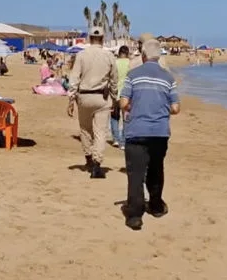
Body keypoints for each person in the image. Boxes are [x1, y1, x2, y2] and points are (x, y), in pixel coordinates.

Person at [119, 39, 180, 230]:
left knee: (135, 173)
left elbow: (123, 102)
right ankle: (155, 205)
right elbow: (176, 108)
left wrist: (133, 107)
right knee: (156, 169)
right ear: (159, 56)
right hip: (159, 132)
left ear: (143, 56)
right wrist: (160, 110)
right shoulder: (168, 78)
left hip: (136, 131)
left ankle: (135, 215)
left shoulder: (133, 75)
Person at [67, 26, 118, 178]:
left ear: (89, 38)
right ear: (103, 38)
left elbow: (74, 78)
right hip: (102, 98)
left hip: (84, 97)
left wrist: (71, 98)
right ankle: (97, 163)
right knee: (100, 132)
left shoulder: (81, 55)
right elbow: (114, 79)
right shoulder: (109, 56)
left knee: (85, 129)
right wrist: (115, 97)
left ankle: (89, 157)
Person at [110, 45, 131, 149]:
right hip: (127, 94)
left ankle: (115, 139)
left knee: (114, 116)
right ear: (127, 53)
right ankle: (123, 142)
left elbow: (111, 77)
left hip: (115, 93)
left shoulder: (115, 62)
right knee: (126, 118)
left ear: (119, 53)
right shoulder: (130, 64)